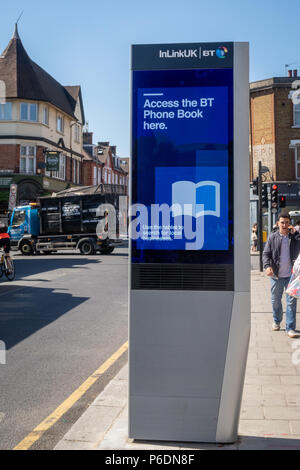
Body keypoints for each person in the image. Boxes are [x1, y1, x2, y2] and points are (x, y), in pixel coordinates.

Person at [263, 213, 300, 338]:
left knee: (291, 302)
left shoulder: (294, 238)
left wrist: (296, 234)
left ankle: (290, 328)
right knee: (275, 301)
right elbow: (266, 254)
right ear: (278, 223)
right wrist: (267, 266)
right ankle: (277, 320)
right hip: (276, 275)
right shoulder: (272, 237)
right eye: (282, 222)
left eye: (287, 222)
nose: (284, 225)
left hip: (292, 276)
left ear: (290, 223)